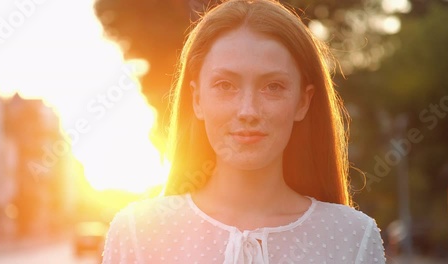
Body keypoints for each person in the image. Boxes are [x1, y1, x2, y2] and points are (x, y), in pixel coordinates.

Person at [102, 0, 386, 263]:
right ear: (197, 99)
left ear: (302, 102)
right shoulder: (136, 235)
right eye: (225, 85)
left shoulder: (353, 238)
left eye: (273, 86)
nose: (248, 111)